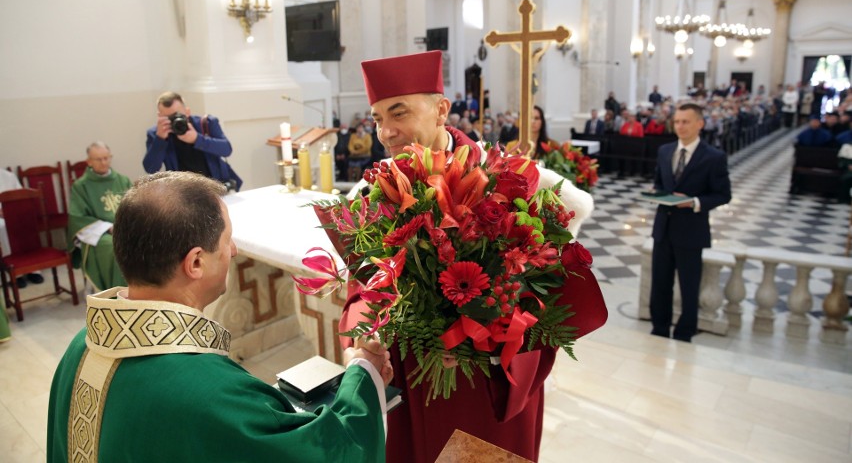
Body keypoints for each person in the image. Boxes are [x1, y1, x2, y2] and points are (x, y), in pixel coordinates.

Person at [342, 50, 603, 462]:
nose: (387, 132)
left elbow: (549, 293)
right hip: (412, 380)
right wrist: (362, 332)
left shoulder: (515, 180)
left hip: (486, 385)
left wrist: (485, 335)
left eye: (399, 113)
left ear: (441, 109)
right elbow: (362, 285)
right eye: (377, 119)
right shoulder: (372, 194)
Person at [48, 172, 391, 462]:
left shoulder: (79, 349)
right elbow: (331, 452)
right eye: (228, 240)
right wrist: (363, 373)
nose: (236, 251)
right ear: (195, 263)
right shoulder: (212, 394)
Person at [650, 103, 731, 343]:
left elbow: (723, 194)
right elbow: (659, 183)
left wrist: (694, 202)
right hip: (663, 228)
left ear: (700, 124)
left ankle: (685, 332)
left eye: (686, 121)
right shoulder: (665, 151)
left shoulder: (714, 157)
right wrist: (654, 192)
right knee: (660, 284)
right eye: (677, 121)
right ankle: (659, 330)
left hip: (691, 231)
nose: (680, 126)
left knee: (689, 286)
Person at [143, 91, 242, 191]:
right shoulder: (156, 134)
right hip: (184, 193)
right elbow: (151, 168)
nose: (173, 121)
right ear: (159, 116)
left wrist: (197, 139)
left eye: (177, 115)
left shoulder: (206, 123)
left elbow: (226, 149)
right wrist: (160, 139)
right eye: (168, 118)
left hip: (216, 186)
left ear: (187, 112)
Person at [67, 141, 132, 291]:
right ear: (89, 162)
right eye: (99, 159)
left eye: (106, 158)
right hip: (99, 233)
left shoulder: (123, 180)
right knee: (115, 247)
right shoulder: (81, 186)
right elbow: (78, 218)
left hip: (125, 227)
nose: (104, 162)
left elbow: (134, 207)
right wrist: (109, 227)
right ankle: (117, 292)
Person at [0, 168, 44, 289]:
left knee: (24, 221)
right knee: (3, 227)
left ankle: (33, 269)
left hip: (11, 213)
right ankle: (13, 272)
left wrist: (11, 210)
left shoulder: (8, 176)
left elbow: (22, 196)